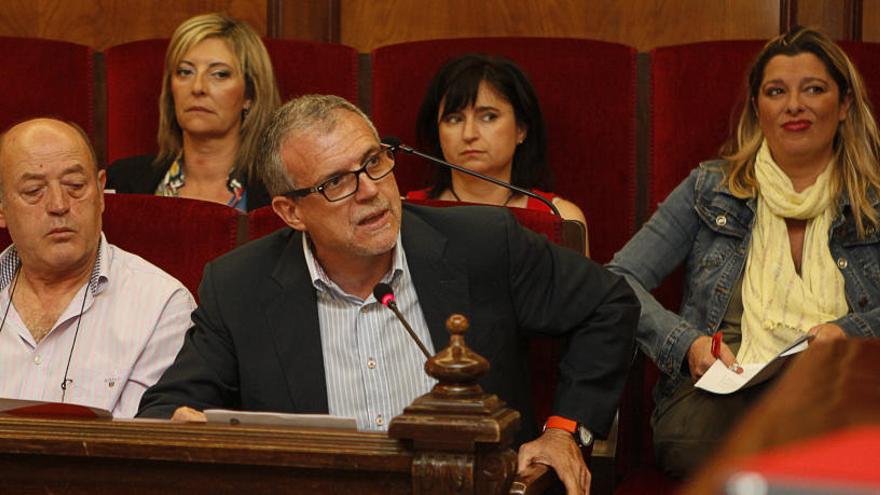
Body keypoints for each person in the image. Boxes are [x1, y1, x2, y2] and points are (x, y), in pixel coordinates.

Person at [138, 94, 638, 494]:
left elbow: (609, 304)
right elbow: (167, 409)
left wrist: (564, 431)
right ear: (291, 213)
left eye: (374, 162)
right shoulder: (238, 286)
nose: (371, 190)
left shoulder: (483, 243)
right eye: (336, 182)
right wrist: (184, 427)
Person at [607, 26, 880, 477]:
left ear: (845, 104)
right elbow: (619, 280)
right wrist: (687, 344)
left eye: (813, 88)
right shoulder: (709, 187)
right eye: (777, 91)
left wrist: (850, 332)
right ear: (758, 108)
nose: (794, 105)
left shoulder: (873, 197)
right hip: (720, 403)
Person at [0, 118, 195, 417]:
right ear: (2, 209)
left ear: (101, 192)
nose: (59, 204)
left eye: (75, 186)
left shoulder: (161, 305)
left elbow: (145, 446)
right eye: (34, 190)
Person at [106, 13, 281, 211]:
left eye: (219, 74)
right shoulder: (122, 182)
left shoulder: (279, 192)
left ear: (250, 94)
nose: (197, 88)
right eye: (185, 72)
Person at [408, 54, 588, 244]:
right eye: (454, 119)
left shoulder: (561, 219)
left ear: (521, 129)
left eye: (488, 117)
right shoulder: (406, 212)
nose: (469, 134)